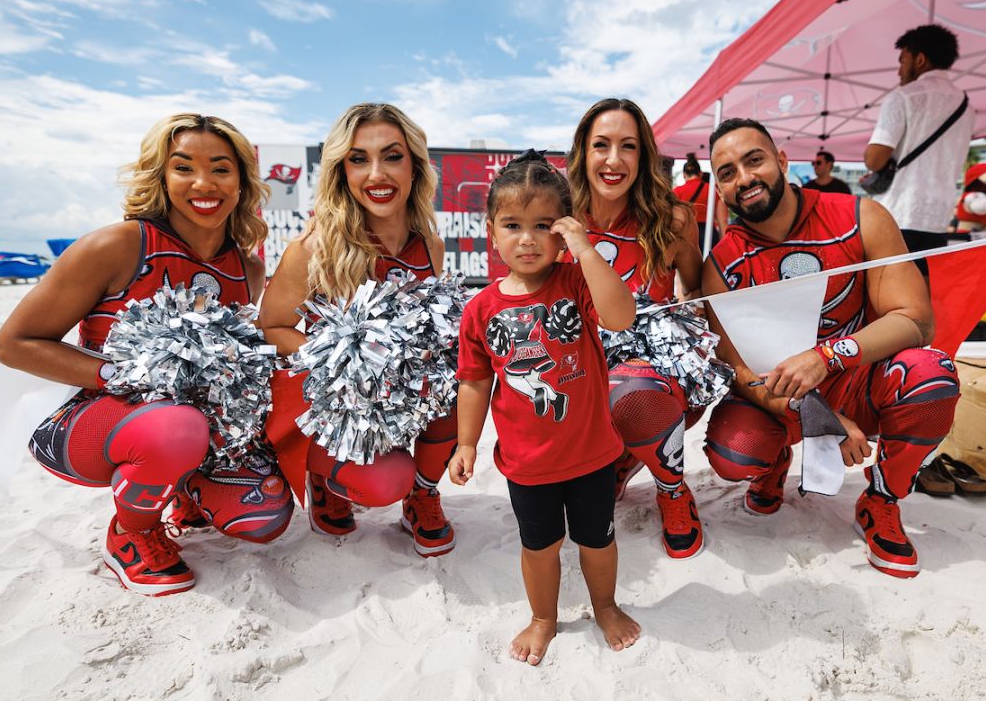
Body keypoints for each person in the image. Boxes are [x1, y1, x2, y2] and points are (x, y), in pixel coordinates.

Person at [0, 114, 293, 596]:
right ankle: (131, 533)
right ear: (161, 176)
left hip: (190, 424)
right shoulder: (116, 245)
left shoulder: (248, 267)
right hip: (88, 419)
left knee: (262, 516)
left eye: (221, 168)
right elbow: (14, 344)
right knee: (174, 427)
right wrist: (129, 373)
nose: (203, 183)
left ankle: (185, 490)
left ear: (241, 182)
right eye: (183, 168)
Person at [702, 118, 960, 579]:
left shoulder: (861, 217)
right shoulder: (722, 263)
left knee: (930, 374)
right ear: (719, 189)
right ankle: (773, 463)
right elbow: (737, 371)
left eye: (754, 160)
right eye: (726, 172)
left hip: (859, 382)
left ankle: (882, 499)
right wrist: (814, 414)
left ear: (782, 162)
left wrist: (826, 357)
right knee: (733, 451)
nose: (743, 178)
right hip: (780, 398)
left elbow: (916, 320)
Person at [448, 151, 640, 665]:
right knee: (540, 546)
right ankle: (544, 618)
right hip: (528, 464)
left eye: (542, 226)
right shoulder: (481, 309)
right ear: (491, 231)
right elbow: (474, 381)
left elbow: (621, 317)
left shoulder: (575, 283)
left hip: (593, 454)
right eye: (512, 225)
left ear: (561, 230)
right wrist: (467, 443)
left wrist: (583, 247)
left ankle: (605, 605)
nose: (527, 238)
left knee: (598, 542)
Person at [258, 102, 458, 557]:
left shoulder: (430, 244)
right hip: (341, 405)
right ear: (340, 172)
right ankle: (325, 476)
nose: (377, 174)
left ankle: (423, 494)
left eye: (392, 156)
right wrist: (341, 364)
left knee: (468, 382)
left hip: (404, 395)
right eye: (358, 159)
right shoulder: (312, 249)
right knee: (383, 482)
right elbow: (271, 326)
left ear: (415, 167)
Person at [562, 98, 708, 559]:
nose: (613, 160)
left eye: (628, 147)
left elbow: (699, 295)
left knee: (639, 390)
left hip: (651, 379)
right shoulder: (559, 219)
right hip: (577, 374)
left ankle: (671, 487)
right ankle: (621, 460)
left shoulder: (673, 219)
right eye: (600, 145)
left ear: (643, 157)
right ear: (582, 153)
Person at [864, 24, 974, 256]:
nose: (899, 71)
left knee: (887, 286)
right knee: (925, 286)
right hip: (939, 214)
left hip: (900, 210)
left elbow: (874, 160)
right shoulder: (966, 106)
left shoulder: (904, 96)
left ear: (920, 59)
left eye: (902, 61)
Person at [672, 153, 729, 250]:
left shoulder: (676, 191)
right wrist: (726, 245)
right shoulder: (713, 190)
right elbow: (722, 221)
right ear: (700, 173)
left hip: (685, 235)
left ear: (684, 174)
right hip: (709, 234)